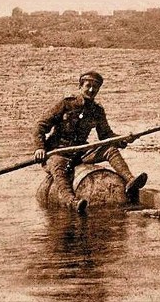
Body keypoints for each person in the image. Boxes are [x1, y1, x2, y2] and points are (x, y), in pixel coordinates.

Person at [33, 71, 148, 212]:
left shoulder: (97, 111)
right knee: (58, 168)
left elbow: (106, 135)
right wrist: (40, 148)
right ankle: (72, 202)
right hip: (57, 152)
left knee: (109, 150)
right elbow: (40, 126)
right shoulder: (66, 104)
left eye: (95, 87)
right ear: (80, 86)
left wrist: (123, 139)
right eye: (88, 86)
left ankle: (130, 181)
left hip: (80, 152)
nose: (92, 90)